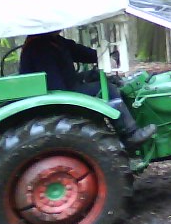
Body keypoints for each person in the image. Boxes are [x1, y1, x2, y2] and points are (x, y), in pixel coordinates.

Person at [19, 32, 155, 149]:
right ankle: (130, 134)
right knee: (108, 89)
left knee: (104, 80)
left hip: (64, 87)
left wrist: (104, 56)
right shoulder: (40, 47)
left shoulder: (52, 40)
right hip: (57, 94)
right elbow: (55, 86)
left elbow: (78, 52)